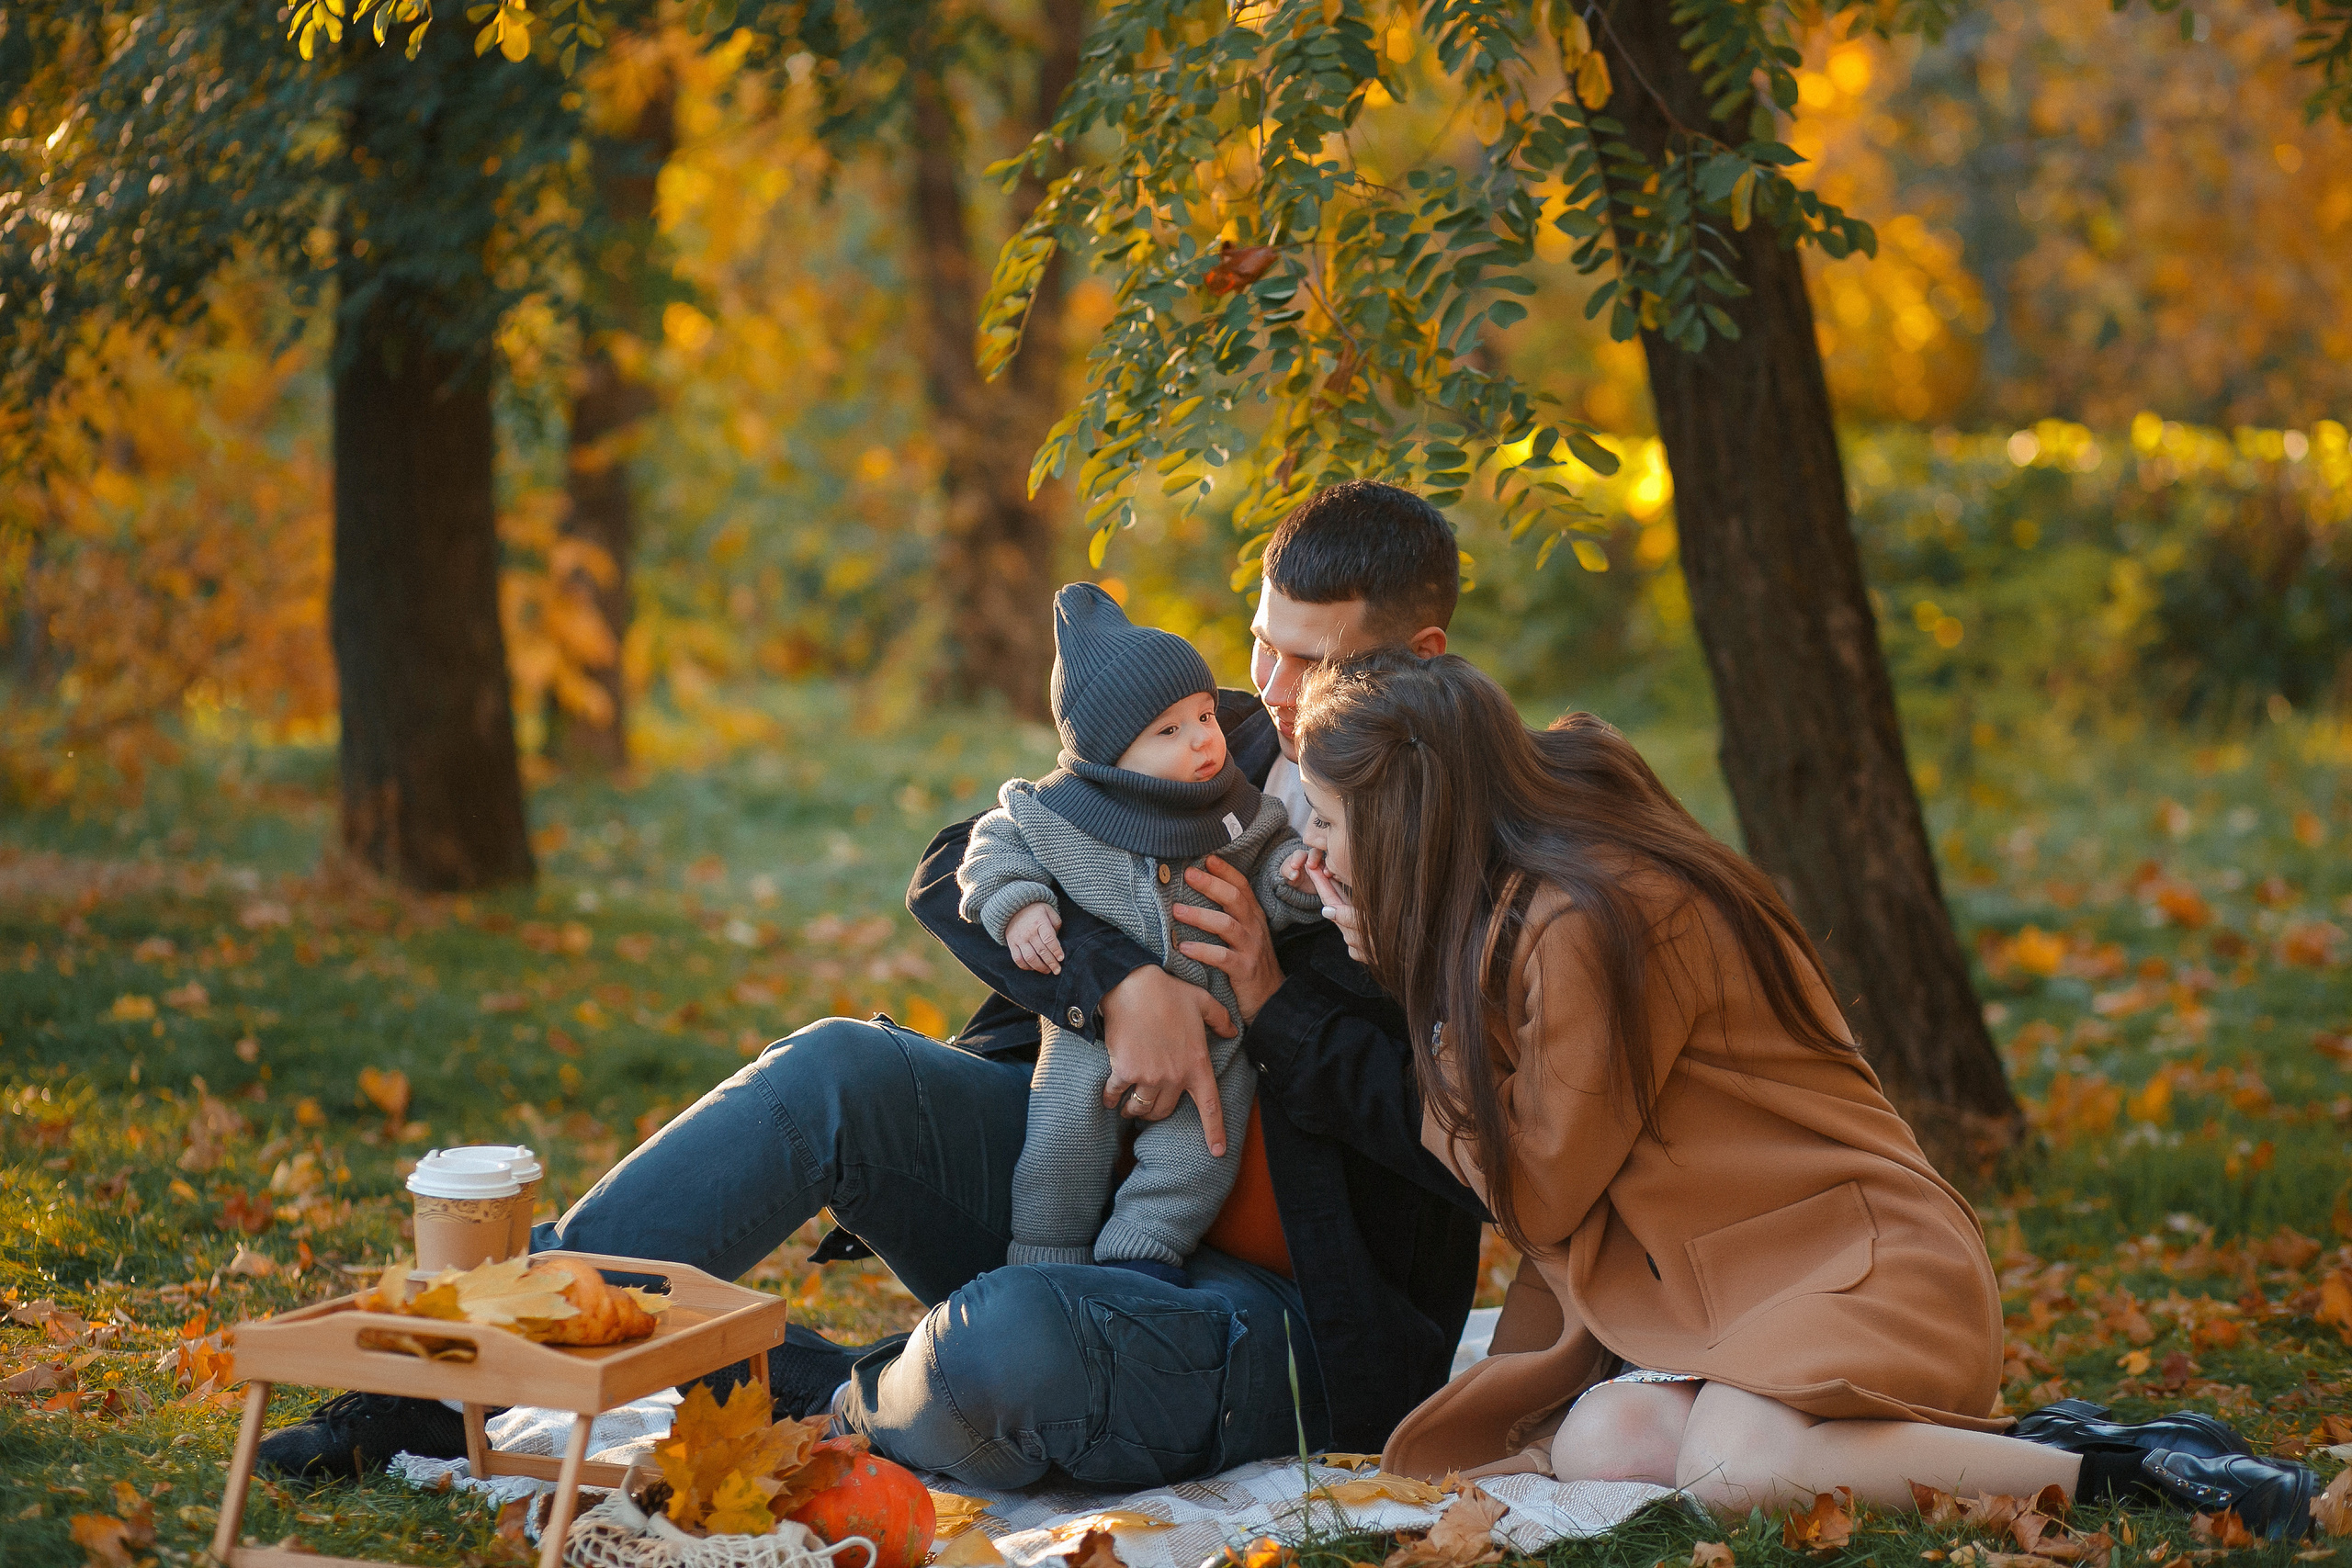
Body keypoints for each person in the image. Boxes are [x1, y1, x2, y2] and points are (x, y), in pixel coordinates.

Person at [256, 479, 1485, 1490]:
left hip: (1281, 1312)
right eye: (1263, 638)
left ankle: (809, 1384)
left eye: (1309, 657)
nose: (1269, 683)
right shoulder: (1219, 732)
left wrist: (1269, 999)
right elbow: (963, 862)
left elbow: (1466, 1144)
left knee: (1005, 1347)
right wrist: (1114, 985)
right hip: (1068, 1176)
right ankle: (435, 1385)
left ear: (1418, 654)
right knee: (834, 1070)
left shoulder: (1481, 845)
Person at [1288, 649, 2320, 1538]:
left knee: (1735, 1471)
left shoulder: (1582, 921)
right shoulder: (1537, 902)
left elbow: (1539, 1196)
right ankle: (2041, 1439)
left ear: (1403, 824)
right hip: (1740, 1288)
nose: (1313, 854)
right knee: (1607, 1441)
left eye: (1327, 822)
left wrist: (1422, 997)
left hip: (1862, 1261)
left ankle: (2135, 1473)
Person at [958, 583, 1320, 1282]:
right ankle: (1045, 1259)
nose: (1204, 738)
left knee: (1200, 1154)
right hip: (1087, 1040)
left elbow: (1272, 867)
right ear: (1109, 756)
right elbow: (991, 847)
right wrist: (1020, 904)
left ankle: (1141, 1255)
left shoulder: (1237, 811)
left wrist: (1291, 882)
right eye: (1169, 732)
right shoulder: (1058, 812)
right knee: (1060, 1144)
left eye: (1205, 715)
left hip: (1215, 1038)